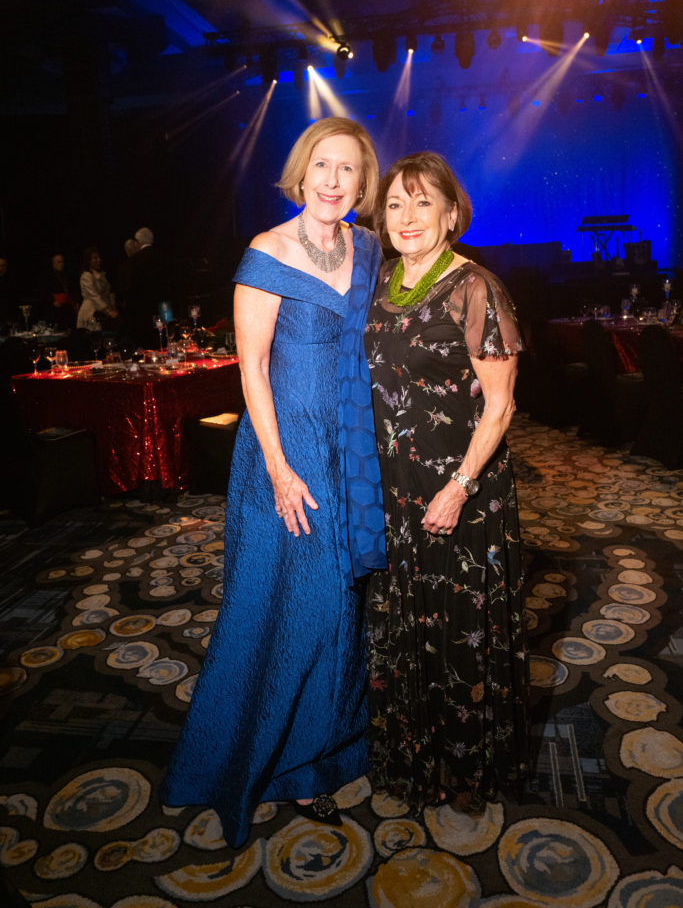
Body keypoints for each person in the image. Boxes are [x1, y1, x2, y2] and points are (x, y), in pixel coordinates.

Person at [162, 117, 386, 847]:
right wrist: (281, 467)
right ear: (301, 171)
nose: (332, 181)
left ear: (361, 183)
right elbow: (250, 370)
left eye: (346, 170)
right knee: (279, 607)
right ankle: (260, 759)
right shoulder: (266, 251)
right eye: (321, 165)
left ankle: (327, 747)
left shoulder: (369, 249)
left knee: (340, 606)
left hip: (349, 452)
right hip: (282, 456)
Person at [364, 151, 528, 813]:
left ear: (451, 213)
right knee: (403, 625)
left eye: (421, 202)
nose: (406, 217)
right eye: (394, 205)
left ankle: (466, 771)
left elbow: (500, 406)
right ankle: (412, 758)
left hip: (460, 492)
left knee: (460, 627)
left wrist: (458, 485)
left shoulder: (474, 287)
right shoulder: (376, 284)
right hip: (392, 489)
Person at [76, 248, 118, 329]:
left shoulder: (101, 275)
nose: (99, 260)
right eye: (95, 258)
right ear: (88, 260)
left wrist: (112, 308)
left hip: (102, 311)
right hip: (91, 311)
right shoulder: (86, 276)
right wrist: (107, 310)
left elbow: (107, 294)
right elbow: (93, 295)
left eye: (99, 258)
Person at [44, 253, 79, 329]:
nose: (62, 264)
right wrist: (52, 301)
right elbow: (44, 291)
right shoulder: (48, 277)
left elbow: (72, 290)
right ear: (53, 264)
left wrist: (75, 302)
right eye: (59, 262)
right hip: (56, 310)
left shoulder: (67, 275)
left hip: (68, 308)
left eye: (62, 262)